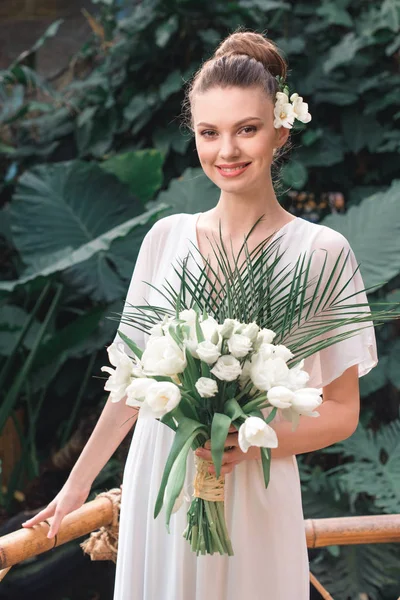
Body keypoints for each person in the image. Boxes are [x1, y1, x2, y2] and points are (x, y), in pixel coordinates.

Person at [22, 30, 377, 599]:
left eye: (247, 130)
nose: (226, 151)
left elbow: (341, 413)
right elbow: (130, 388)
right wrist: (76, 487)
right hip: (158, 488)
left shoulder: (321, 254)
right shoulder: (165, 239)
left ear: (280, 132)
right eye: (210, 133)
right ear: (194, 135)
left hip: (252, 488)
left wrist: (257, 441)